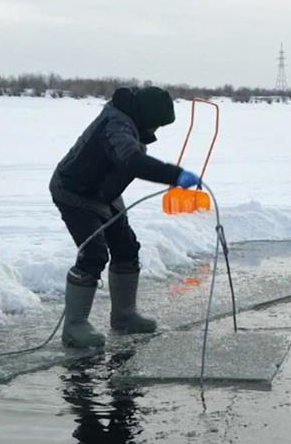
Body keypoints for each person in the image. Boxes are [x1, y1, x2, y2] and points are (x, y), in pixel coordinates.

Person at [49, 86, 201, 347]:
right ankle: (74, 327)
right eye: (156, 125)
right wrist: (174, 175)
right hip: (74, 191)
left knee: (126, 247)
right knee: (93, 254)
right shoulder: (115, 126)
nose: (155, 131)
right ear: (146, 116)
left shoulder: (131, 122)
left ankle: (124, 316)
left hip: (104, 193)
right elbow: (131, 160)